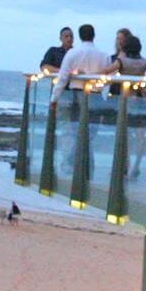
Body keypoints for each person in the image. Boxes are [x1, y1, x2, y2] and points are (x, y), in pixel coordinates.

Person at [52, 24, 113, 177]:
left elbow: (62, 78)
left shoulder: (73, 53)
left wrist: (54, 98)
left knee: (78, 134)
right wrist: (102, 92)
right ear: (94, 35)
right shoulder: (104, 55)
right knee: (89, 136)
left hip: (77, 95)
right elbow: (108, 80)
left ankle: (73, 165)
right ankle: (87, 170)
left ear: (79, 36)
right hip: (96, 96)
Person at [107, 35, 146, 179]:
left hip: (127, 102)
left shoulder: (122, 62)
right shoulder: (144, 62)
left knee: (126, 136)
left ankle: (126, 166)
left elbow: (105, 71)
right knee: (140, 137)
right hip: (141, 100)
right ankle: (135, 167)